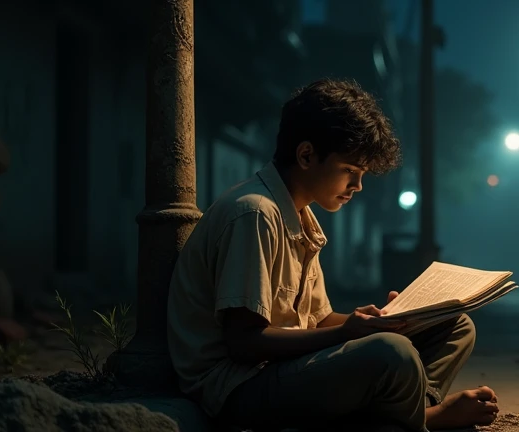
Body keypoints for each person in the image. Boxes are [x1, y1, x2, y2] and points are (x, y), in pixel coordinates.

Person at [166, 79, 499, 431]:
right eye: (350, 172)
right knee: (392, 354)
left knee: (453, 324)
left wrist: (388, 319)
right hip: (240, 388)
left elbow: (317, 320)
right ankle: (426, 417)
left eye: (362, 175)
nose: (357, 186)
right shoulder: (255, 214)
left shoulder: (301, 217)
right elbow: (244, 343)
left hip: (285, 370)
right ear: (306, 155)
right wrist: (349, 335)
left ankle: (406, 415)